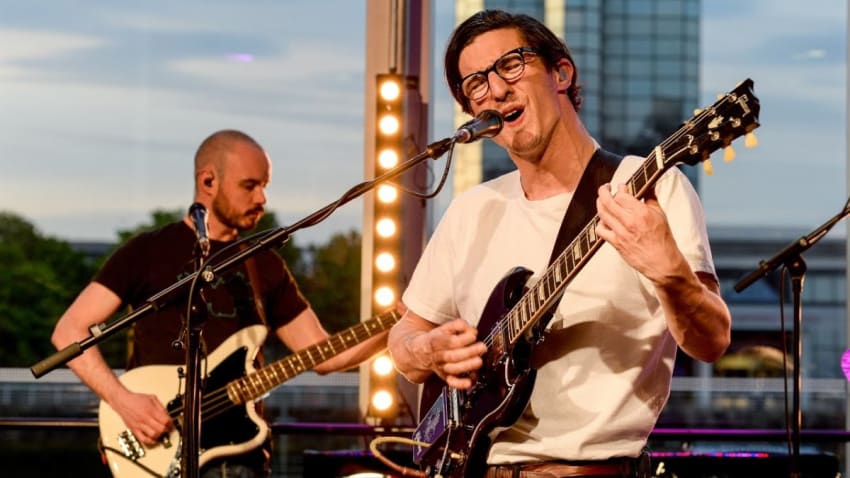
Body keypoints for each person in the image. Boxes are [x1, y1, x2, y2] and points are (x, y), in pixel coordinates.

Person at [387, 10, 732, 478]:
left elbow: (712, 342)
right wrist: (428, 350)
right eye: (476, 84)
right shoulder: (472, 209)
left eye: (510, 64)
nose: (496, 89)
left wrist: (670, 273)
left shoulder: (650, 188)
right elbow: (403, 339)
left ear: (561, 74)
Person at [51, 129, 388, 478]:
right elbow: (69, 332)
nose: (262, 198)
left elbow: (326, 354)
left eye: (264, 186)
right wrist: (123, 401)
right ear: (208, 181)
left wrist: (400, 322)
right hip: (156, 449)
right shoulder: (147, 251)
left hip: (242, 458)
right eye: (249, 185)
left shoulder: (264, 264)